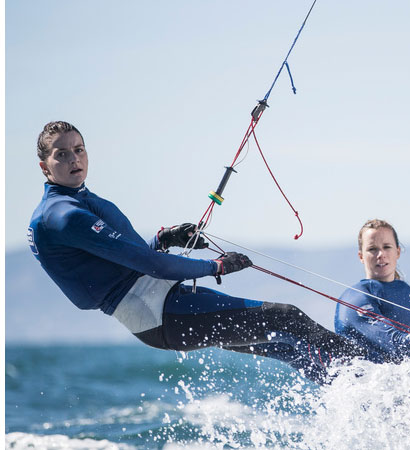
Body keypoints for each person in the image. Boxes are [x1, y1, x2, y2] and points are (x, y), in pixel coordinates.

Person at [28, 121, 371, 385]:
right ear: (45, 167)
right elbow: (147, 266)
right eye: (62, 154)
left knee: (286, 344)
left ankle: (352, 390)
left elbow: (126, 258)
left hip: (164, 304)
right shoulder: (63, 216)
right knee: (286, 317)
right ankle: (377, 372)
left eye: (79, 149)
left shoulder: (75, 202)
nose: (75, 158)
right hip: (160, 313)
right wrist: (215, 266)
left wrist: (164, 238)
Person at [335, 219, 410, 364]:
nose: (381, 254)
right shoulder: (355, 297)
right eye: (372, 249)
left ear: (397, 252)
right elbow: (394, 343)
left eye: (386, 247)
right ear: (361, 256)